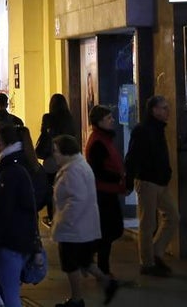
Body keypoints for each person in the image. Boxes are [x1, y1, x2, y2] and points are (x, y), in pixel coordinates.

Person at [52, 134, 119, 306]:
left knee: (71, 264)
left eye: (56, 151)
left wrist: (63, 221)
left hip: (74, 228)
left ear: (66, 152)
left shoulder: (73, 170)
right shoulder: (78, 166)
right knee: (84, 261)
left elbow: (77, 200)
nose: (54, 155)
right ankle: (107, 282)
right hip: (83, 227)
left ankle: (77, 299)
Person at [125, 94, 178, 277]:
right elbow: (132, 157)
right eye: (164, 108)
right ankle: (147, 263)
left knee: (173, 216)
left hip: (161, 181)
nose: (167, 111)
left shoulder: (159, 129)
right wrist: (129, 180)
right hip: (147, 180)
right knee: (148, 223)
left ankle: (155, 252)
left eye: (167, 107)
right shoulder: (142, 130)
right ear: (154, 110)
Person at [0, 123, 41, 307]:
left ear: (8, 145)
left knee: (9, 292)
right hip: (18, 240)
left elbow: (4, 210)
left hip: (10, 242)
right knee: (9, 290)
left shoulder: (10, 172)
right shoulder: (20, 166)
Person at [85, 105, 126, 277]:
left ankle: (95, 262)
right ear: (100, 121)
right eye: (109, 118)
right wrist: (118, 177)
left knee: (109, 230)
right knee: (110, 230)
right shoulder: (98, 142)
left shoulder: (104, 139)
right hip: (103, 192)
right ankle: (93, 262)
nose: (113, 120)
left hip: (107, 190)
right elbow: (99, 170)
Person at [37, 92, 79, 224]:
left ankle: (52, 216)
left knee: (51, 190)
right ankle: (66, 216)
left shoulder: (48, 118)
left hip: (52, 160)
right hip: (67, 159)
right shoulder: (70, 119)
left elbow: (44, 136)